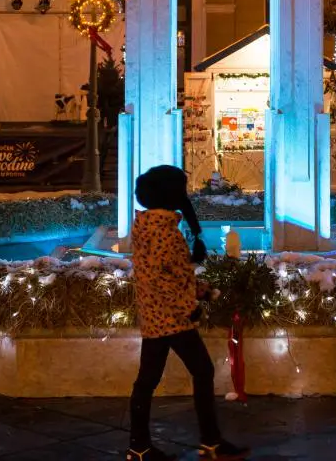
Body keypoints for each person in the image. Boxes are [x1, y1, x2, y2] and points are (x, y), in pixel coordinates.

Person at [126, 165, 247, 461]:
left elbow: (169, 274)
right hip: (170, 319)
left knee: (148, 380)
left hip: (156, 316)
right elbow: (163, 280)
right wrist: (190, 309)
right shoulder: (164, 232)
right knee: (200, 371)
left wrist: (200, 290)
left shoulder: (148, 225)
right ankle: (209, 442)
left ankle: (140, 447)